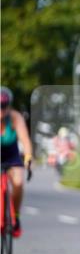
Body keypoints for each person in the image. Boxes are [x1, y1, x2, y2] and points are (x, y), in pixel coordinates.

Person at [0, 87, 33, 237]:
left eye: (4, 106)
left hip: (11, 155)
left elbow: (25, 141)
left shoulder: (15, 118)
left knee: (18, 182)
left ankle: (16, 217)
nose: (1, 110)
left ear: (9, 106)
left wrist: (27, 158)